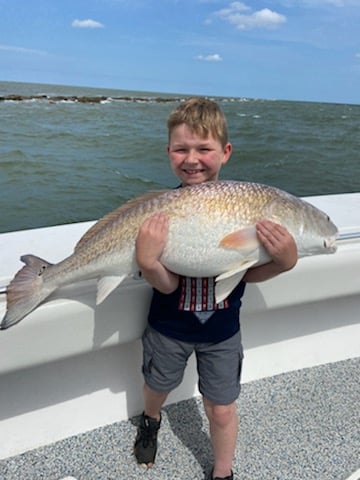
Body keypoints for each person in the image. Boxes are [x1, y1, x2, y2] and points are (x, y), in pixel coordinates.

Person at [133, 97, 297, 480]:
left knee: (222, 408)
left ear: (225, 152)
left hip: (223, 334)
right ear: (169, 152)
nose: (192, 159)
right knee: (157, 386)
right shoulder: (159, 211)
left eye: (204, 149)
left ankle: (223, 471)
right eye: (181, 149)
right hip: (167, 327)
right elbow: (168, 284)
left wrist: (284, 262)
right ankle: (150, 420)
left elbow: (245, 273)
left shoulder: (246, 208)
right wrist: (148, 262)